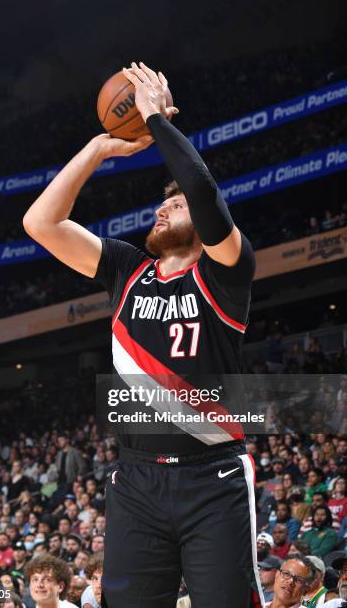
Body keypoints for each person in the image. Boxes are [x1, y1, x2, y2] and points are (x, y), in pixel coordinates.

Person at [23, 61, 262, 607]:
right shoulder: (126, 269)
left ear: (202, 224)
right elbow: (40, 224)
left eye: (174, 206)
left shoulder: (226, 271)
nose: (162, 209)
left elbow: (202, 189)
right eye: (160, 204)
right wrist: (99, 150)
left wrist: (155, 121)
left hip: (214, 477)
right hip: (134, 480)